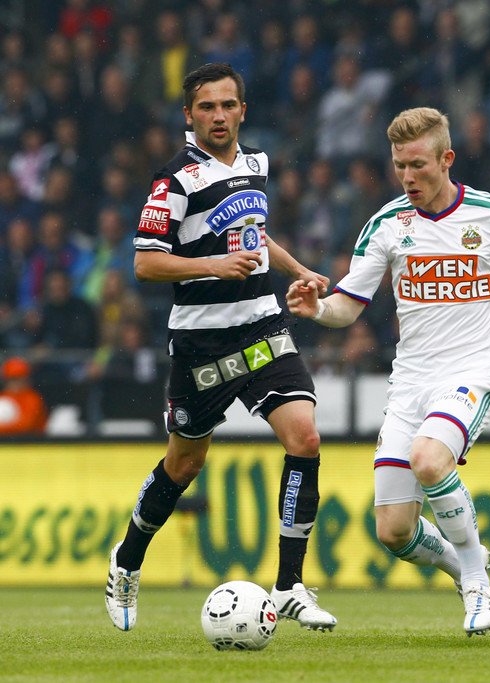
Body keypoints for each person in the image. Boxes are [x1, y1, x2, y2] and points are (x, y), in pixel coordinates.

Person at [286, 107, 490, 636]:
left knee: (428, 460)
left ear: (446, 159)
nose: (407, 177)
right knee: (393, 531)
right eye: (399, 166)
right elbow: (348, 306)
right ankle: (461, 562)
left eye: (418, 165)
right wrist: (318, 309)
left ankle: (476, 580)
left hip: (474, 367)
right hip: (411, 381)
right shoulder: (386, 224)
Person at [105, 63, 336, 633]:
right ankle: (127, 561)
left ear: (242, 111)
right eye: (206, 107)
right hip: (201, 345)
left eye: (228, 105)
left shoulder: (257, 164)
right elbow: (145, 263)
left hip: (260, 329)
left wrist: (300, 270)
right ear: (189, 115)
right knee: (184, 464)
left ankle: (288, 585)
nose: (218, 116)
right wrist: (213, 264)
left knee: (304, 438)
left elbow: (256, 235)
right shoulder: (174, 181)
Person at [0, 356, 47, 435]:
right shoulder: (3, 397)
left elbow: (26, 426)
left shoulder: (32, 398)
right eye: (13, 379)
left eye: (20, 378)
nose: (17, 383)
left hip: (32, 440)